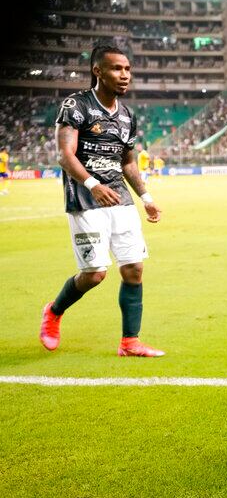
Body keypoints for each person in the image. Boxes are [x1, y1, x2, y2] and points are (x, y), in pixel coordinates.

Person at [39, 45, 164, 357]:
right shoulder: (76, 105)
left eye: (127, 69)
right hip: (85, 197)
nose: (124, 75)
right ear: (98, 71)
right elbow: (65, 155)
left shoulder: (126, 116)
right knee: (95, 273)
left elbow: (128, 164)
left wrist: (146, 198)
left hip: (119, 197)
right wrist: (93, 184)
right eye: (116, 69)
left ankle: (130, 342)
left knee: (134, 268)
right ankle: (54, 311)